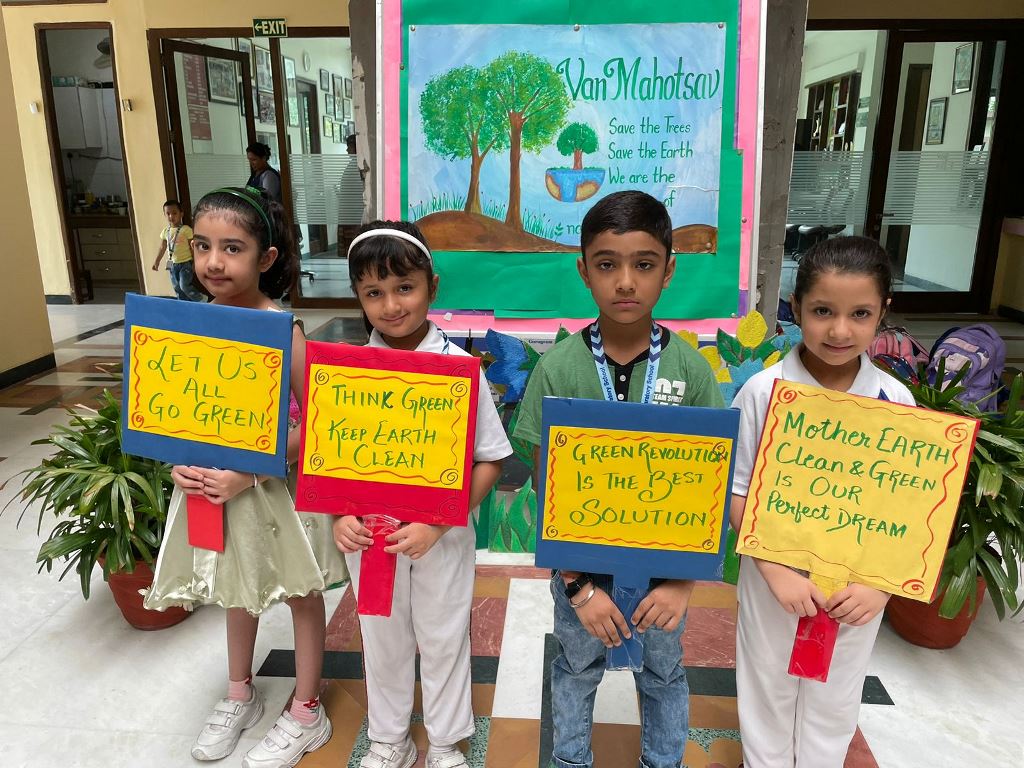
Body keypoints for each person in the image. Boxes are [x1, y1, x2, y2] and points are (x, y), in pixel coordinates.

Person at [514, 190, 725, 768]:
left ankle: (664, 760)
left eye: (644, 264)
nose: (626, 282)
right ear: (584, 271)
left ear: (668, 270)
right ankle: (569, 760)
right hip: (582, 572)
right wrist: (578, 586)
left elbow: (706, 491)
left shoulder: (689, 372)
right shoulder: (558, 369)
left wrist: (681, 584)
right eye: (607, 264)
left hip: (664, 575)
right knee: (575, 668)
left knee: (663, 674)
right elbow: (546, 488)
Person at [143, 186, 347, 768]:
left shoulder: (284, 329)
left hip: (276, 491)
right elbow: (176, 409)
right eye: (202, 246)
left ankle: (306, 709)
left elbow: (320, 425)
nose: (213, 261)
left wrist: (250, 475)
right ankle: (240, 694)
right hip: (212, 488)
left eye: (232, 248)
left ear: (266, 258)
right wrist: (178, 459)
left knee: (302, 594)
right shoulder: (190, 324)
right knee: (237, 588)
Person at [729, 236, 915, 767]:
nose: (839, 331)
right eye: (822, 311)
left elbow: (907, 508)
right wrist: (774, 570)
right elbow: (736, 491)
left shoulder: (896, 401)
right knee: (767, 686)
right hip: (775, 581)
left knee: (835, 696)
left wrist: (880, 585)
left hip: (857, 585)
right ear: (796, 307)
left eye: (860, 314)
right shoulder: (762, 392)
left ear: (883, 312)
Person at [332, 221, 512, 768]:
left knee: (443, 634)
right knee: (381, 636)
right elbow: (329, 459)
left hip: (441, 537)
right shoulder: (347, 373)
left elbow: (491, 460)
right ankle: (389, 736)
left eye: (404, 288)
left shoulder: (459, 370)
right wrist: (340, 515)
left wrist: (438, 523)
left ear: (432, 286)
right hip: (371, 538)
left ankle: (446, 740)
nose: (391, 305)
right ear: (358, 297)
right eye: (374, 293)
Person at [152, 199, 204, 301]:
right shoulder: (165, 231)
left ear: (181, 214)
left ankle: (201, 299)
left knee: (184, 286)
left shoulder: (186, 230)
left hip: (185, 263)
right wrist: (157, 261)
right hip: (172, 264)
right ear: (164, 215)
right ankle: (183, 304)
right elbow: (162, 247)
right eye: (168, 214)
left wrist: (195, 261)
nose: (171, 216)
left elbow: (193, 247)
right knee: (177, 287)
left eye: (174, 213)